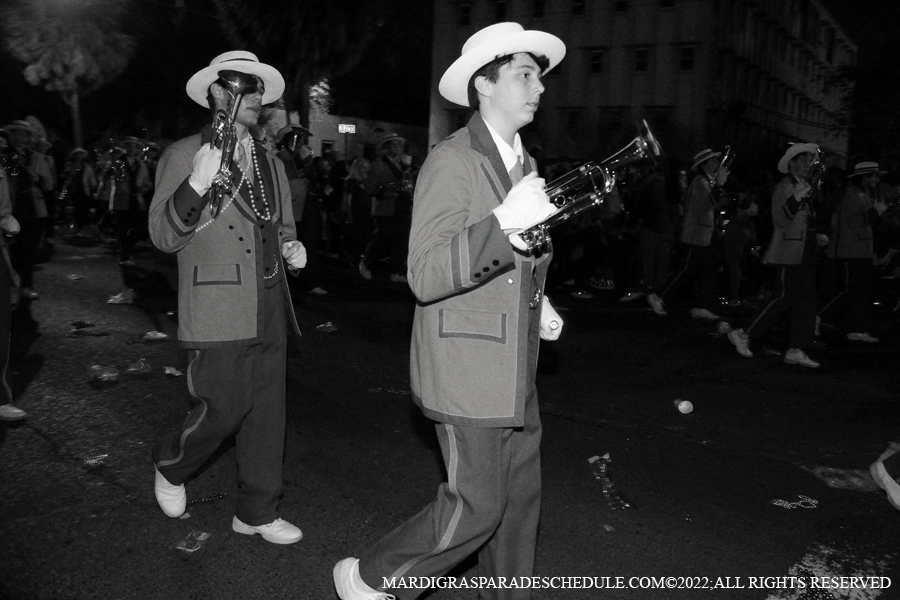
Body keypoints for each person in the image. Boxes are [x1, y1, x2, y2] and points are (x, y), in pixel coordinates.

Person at [333, 22, 565, 600]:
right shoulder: (452, 161)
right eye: (525, 74)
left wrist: (541, 303)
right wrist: (503, 225)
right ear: (485, 85)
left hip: (515, 362)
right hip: (466, 366)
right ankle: (370, 577)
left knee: (517, 505)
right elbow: (426, 272)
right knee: (478, 506)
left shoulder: (526, 166)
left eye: (538, 76)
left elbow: (524, 257)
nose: (539, 87)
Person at [148, 50, 307, 544]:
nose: (257, 96)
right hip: (216, 305)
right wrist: (197, 181)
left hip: (270, 303)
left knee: (266, 414)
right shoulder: (182, 155)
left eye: (260, 88)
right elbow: (162, 235)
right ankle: (172, 464)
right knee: (225, 407)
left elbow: (280, 227)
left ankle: (257, 512)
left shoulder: (270, 162)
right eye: (246, 86)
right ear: (218, 92)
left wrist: (291, 247)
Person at [728, 142, 823, 368]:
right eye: (803, 160)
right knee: (783, 298)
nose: (808, 165)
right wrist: (797, 199)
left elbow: (804, 221)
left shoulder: (801, 186)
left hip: (802, 253)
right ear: (790, 163)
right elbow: (781, 220)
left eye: (810, 161)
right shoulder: (785, 186)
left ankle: (796, 348)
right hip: (787, 253)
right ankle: (743, 333)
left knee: (805, 302)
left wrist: (816, 236)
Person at [646, 148, 729, 319]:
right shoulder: (700, 182)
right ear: (704, 164)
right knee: (686, 269)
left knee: (707, 270)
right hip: (696, 235)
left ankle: (702, 306)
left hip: (704, 234)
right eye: (713, 161)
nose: (716, 164)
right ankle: (659, 296)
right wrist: (720, 185)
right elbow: (707, 205)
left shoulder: (705, 182)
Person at [816, 161, 887, 342]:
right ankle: (817, 317)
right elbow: (852, 222)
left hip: (858, 251)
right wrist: (875, 213)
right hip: (851, 251)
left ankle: (856, 329)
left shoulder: (859, 195)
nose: (877, 180)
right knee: (850, 291)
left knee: (860, 292)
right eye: (874, 176)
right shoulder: (856, 196)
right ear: (864, 178)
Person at [359, 132, 412, 283]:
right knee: (382, 237)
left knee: (400, 240)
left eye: (399, 144)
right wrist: (383, 193)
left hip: (402, 206)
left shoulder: (404, 165)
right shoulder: (378, 164)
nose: (397, 147)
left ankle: (396, 271)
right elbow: (369, 187)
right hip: (385, 208)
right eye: (394, 144)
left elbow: (406, 184)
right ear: (386, 147)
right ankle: (366, 264)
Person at [0, 135, 25, 422]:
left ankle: (1, 398)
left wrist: (7, 219)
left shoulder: (4, 166)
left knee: (1, 329)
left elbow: (4, 209)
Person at [344, 157, 373, 265]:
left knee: (365, 235)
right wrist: (349, 214)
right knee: (357, 235)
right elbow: (349, 199)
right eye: (363, 167)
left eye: (367, 168)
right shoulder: (352, 181)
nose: (365, 170)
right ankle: (354, 257)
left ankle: (360, 256)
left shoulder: (366, 181)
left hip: (365, 211)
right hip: (357, 211)